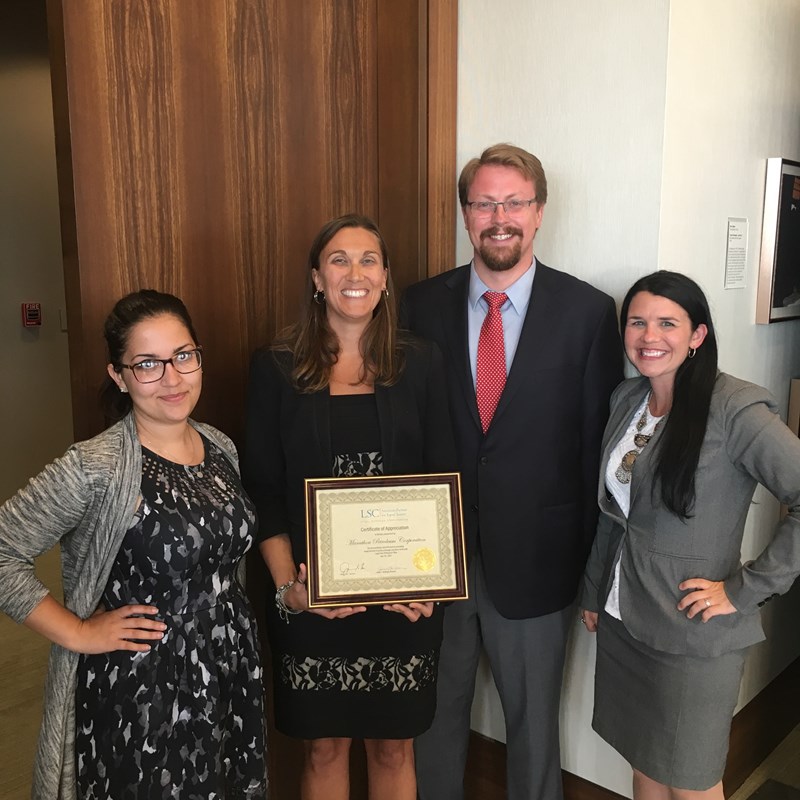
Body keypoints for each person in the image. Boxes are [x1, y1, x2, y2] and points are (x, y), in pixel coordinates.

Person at [401, 143, 622, 800]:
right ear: (466, 214)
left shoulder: (587, 313)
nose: (500, 217)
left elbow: (596, 451)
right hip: (434, 561)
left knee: (533, 728)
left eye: (514, 202)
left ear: (540, 211)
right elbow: (402, 434)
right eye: (484, 203)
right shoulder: (419, 305)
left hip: (538, 558)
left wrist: (590, 573)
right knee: (432, 718)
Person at [0, 290, 268, 799]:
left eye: (183, 356)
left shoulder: (220, 447)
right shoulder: (95, 466)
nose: (172, 377)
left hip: (229, 670)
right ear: (119, 376)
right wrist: (77, 633)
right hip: (145, 691)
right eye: (148, 364)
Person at [243, 214, 456, 800]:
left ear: (386, 278)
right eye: (339, 259)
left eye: (368, 260)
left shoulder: (424, 362)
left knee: (394, 747)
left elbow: (445, 479)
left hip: (403, 600)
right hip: (310, 598)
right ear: (317, 277)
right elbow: (261, 488)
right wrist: (289, 588)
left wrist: (430, 584)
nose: (354, 272)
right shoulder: (276, 367)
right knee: (324, 747)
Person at [579, 271, 800, 799]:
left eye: (667, 323)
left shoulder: (736, 409)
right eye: (637, 321)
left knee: (692, 783)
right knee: (646, 766)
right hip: (622, 616)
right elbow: (616, 513)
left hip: (690, 635)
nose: (648, 336)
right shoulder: (626, 399)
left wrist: (745, 589)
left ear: (697, 335)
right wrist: (593, 590)